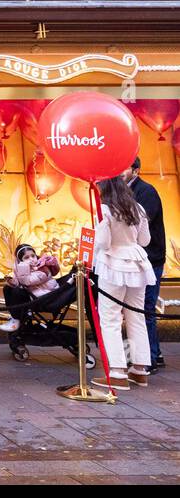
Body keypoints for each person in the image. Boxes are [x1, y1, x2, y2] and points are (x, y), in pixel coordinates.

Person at [92, 175, 155, 391]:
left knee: (110, 318)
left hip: (112, 264)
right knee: (136, 316)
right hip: (138, 264)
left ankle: (118, 371)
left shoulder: (104, 210)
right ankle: (139, 369)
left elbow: (103, 242)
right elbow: (145, 241)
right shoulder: (137, 208)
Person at [125, 158, 166, 372]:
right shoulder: (122, 192)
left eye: (125, 167)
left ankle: (148, 357)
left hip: (150, 259)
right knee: (138, 309)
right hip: (134, 260)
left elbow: (140, 226)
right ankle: (153, 353)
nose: (120, 172)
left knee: (145, 308)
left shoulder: (146, 192)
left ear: (136, 170)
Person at [0, 244, 61, 331]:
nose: (31, 259)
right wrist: (12, 282)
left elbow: (27, 281)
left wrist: (23, 267)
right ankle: (15, 318)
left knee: (17, 293)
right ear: (20, 261)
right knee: (8, 289)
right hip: (35, 295)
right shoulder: (23, 270)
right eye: (26, 257)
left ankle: (17, 319)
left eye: (33, 256)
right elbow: (20, 282)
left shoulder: (42, 268)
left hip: (47, 297)